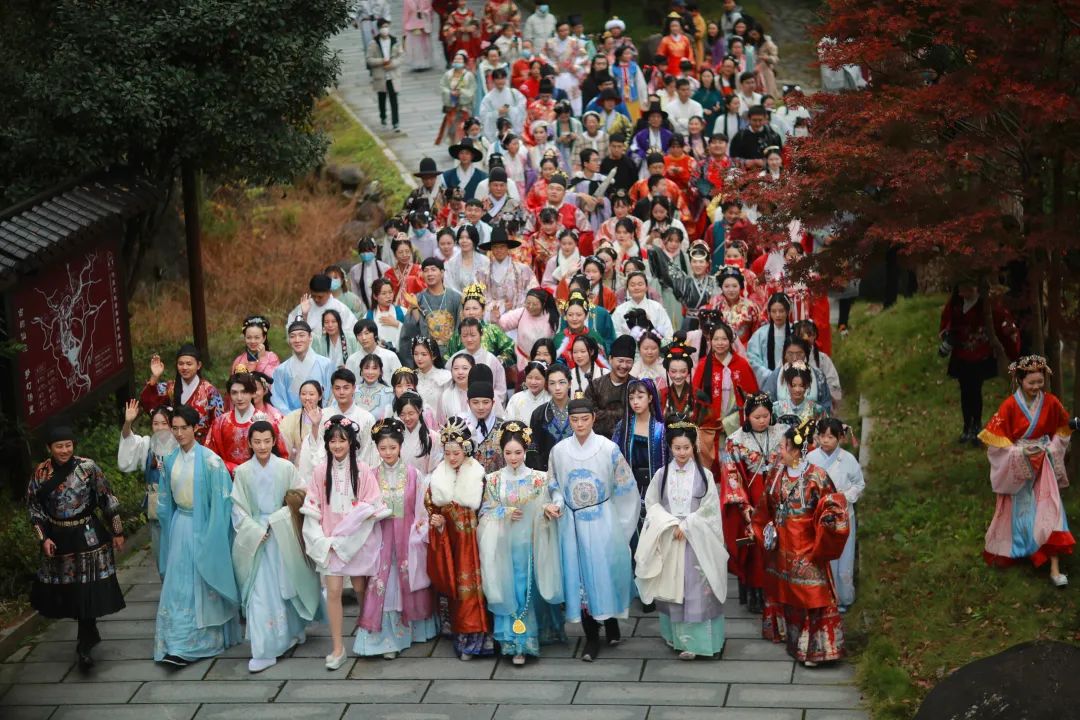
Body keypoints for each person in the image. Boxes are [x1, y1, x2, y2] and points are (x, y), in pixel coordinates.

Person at [749, 416, 850, 667]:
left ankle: (813, 649)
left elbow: (832, 506)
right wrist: (759, 528)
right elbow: (765, 506)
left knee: (813, 593)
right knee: (784, 589)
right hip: (782, 545)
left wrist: (827, 523)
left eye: (783, 447)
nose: (779, 452)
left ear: (795, 450)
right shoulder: (776, 473)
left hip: (807, 545)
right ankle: (788, 635)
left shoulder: (817, 476)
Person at [28, 425, 126, 669]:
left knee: (87, 587)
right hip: (58, 535)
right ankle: (88, 633)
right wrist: (43, 538)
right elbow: (34, 509)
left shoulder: (88, 468)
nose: (64, 450)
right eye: (59, 446)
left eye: (68, 445)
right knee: (70, 589)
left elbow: (107, 498)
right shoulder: (41, 473)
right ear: (49, 448)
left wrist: (117, 531)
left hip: (87, 534)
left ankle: (85, 642)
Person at [547, 397, 638, 661]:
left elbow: (626, 488)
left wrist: (622, 527)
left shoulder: (608, 449)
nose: (580, 424)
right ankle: (591, 636)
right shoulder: (559, 451)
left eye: (584, 419)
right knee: (581, 577)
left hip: (603, 520)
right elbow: (553, 484)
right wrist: (557, 503)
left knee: (605, 571)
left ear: (593, 419)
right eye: (574, 420)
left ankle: (610, 622)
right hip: (573, 521)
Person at [231, 421, 323, 673]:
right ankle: (263, 649)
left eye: (266, 441)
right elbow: (237, 508)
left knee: (288, 585)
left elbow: (301, 496)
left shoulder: (286, 468)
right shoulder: (242, 472)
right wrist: (254, 531)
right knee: (259, 592)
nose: (262, 446)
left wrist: (282, 517)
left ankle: (293, 631)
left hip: (283, 532)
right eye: (257, 441)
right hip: (257, 536)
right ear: (250, 443)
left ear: (274, 441)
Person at [635, 416, 729, 660]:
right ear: (670, 447)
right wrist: (669, 523)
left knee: (697, 589)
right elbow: (652, 503)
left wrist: (687, 525)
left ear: (693, 446)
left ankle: (700, 644)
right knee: (673, 588)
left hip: (696, 541)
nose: (682, 452)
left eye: (686, 447)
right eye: (677, 448)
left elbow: (710, 508)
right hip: (670, 537)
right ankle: (677, 638)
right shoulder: (662, 474)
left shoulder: (704, 475)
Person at [979, 355, 1077, 586]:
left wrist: (1051, 449)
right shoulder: (1009, 406)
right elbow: (995, 439)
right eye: (1031, 382)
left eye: (1040, 382)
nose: (1036, 387)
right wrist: (1019, 452)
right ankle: (1027, 549)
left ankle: (1054, 569)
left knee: (1050, 511)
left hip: (1044, 464)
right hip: (1020, 463)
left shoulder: (1051, 402)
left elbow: (1062, 428)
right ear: (1020, 380)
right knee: (1023, 513)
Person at [300, 415, 388, 669]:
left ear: (351, 442)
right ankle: (338, 647)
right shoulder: (320, 471)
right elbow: (312, 506)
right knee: (334, 591)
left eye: (342, 440)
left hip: (357, 538)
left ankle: (366, 631)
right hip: (330, 540)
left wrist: (351, 530)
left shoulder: (362, 470)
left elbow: (371, 505)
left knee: (360, 587)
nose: (337, 445)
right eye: (333, 441)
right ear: (327, 443)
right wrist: (321, 539)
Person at [155, 406, 241, 666]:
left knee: (201, 583)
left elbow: (223, 504)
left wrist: (212, 535)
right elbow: (164, 503)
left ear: (196, 428)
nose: (179, 433)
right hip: (179, 525)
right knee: (178, 585)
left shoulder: (211, 461)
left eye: (184, 428)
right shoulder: (170, 460)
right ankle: (176, 641)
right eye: (175, 428)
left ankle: (201, 641)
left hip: (204, 526)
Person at [478, 421, 565, 665]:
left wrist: (548, 508)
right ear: (502, 452)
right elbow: (484, 512)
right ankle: (513, 642)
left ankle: (526, 641)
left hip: (531, 544)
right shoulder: (493, 480)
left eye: (518, 452)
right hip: (504, 546)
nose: (513, 457)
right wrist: (503, 512)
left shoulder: (539, 479)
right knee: (509, 589)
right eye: (508, 453)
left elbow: (549, 501)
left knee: (527, 589)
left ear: (525, 451)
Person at [354, 417, 439, 658]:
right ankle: (385, 639)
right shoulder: (370, 475)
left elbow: (422, 508)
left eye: (392, 447)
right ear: (376, 449)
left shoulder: (414, 474)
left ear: (400, 446)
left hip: (407, 536)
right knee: (382, 581)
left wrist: (420, 529)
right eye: (383, 448)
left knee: (407, 576)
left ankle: (412, 631)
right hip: (380, 536)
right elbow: (362, 506)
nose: (388, 452)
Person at [426, 417, 495, 659]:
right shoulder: (437, 477)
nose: (452, 457)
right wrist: (437, 521)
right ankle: (463, 638)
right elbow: (432, 508)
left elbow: (488, 507)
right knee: (457, 590)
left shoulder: (479, 475)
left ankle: (483, 638)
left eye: (456, 453)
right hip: (451, 543)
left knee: (480, 588)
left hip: (476, 541)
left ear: (466, 449)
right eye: (447, 453)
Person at [722, 392, 785, 612]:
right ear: (747, 416)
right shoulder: (734, 441)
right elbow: (731, 474)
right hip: (752, 497)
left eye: (766, 416)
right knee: (755, 547)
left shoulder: (783, 433)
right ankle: (756, 593)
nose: (762, 421)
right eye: (757, 417)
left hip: (779, 494)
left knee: (781, 544)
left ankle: (780, 591)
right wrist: (744, 505)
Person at [940, 285, 1021, 445]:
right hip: (961, 355)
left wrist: (1010, 349)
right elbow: (946, 322)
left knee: (975, 390)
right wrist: (948, 337)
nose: (964, 292)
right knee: (965, 391)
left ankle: (976, 426)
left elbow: (1003, 325)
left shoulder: (988, 306)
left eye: (968, 287)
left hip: (980, 355)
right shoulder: (955, 304)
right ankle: (967, 427)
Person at [805, 418, 864, 610]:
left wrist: (843, 497)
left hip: (842, 514)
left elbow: (859, 484)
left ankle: (843, 598)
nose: (825, 440)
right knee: (821, 556)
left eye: (830, 437)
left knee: (844, 557)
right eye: (822, 436)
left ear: (840, 437)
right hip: (819, 514)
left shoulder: (848, 459)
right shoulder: (811, 458)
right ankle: (821, 598)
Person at [692, 322, 759, 478]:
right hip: (710, 430)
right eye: (716, 339)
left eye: (724, 339)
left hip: (737, 429)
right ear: (710, 341)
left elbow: (752, 399)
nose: (720, 343)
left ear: (730, 341)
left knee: (734, 473)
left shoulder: (742, 365)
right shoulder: (703, 365)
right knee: (711, 474)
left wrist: (729, 422)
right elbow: (695, 398)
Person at [613, 379, 668, 554]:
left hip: (653, 486)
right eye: (631, 398)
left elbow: (668, 461)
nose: (635, 402)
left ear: (650, 398)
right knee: (631, 535)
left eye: (640, 396)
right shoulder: (623, 427)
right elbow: (614, 458)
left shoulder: (661, 429)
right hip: (629, 487)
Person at [299, 368, 379, 480]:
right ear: (332, 389)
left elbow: (368, 452)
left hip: (357, 474)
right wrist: (315, 426)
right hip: (329, 474)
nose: (341, 392)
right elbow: (316, 448)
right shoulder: (322, 415)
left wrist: (358, 473)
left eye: (346, 388)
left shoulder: (366, 418)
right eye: (337, 388)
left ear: (354, 388)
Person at [141, 343, 224, 443]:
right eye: (180, 364)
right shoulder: (170, 388)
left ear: (198, 365)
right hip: (174, 444)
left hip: (202, 446)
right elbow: (148, 402)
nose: (184, 367)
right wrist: (155, 376)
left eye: (189, 364)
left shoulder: (210, 392)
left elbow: (219, 424)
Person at [206, 372, 287, 474]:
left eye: (244, 392)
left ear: (252, 393)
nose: (239, 398)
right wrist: (231, 468)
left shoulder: (267, 422)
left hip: (260, 477)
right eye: (234, 393)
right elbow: (210, 456)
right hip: (227, 477)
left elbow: (281, 457)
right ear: (229, 395)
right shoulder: (220, 423)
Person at [400, 257, 464, 358]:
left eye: (433, 270)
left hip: (453, 353)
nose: (429, 274)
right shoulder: (417, 299)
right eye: (426, 271)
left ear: (442, 273)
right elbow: (409, 331)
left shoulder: (455, 297)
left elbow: (460, 327)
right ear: (422, 274)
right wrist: (414, 308)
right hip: (427, 356)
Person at [475, 225, 539, 322]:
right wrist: (501, 306)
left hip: (518, 318)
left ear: (508, 248)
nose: (499, 250)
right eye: (495, 247)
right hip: (491, 320)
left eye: (502, 246)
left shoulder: (523, 270)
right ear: (491, 249)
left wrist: (517, 305)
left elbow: (534, 292)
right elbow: (479, 298)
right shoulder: (482, 272)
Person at [272, 319, 335, 412]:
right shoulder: (281, 370)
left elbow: (333, 394)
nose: (297, 340)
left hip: (322, 415)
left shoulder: (326, 364)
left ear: (310, 337)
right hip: (293, 417)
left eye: (301, 335)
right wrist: (292, 417)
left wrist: (324, 414)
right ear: (289, 340)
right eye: (292, 336)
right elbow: (277, 399)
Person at [584, 334, 637, 438]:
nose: (624, 366)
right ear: (610, 359)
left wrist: (602, 414)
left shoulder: (636, 387)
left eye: (628, 362)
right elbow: (587, 415)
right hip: (598, 440)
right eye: (620, 361)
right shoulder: (595, 385)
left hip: (628, 440)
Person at [500, 286, 561, 371]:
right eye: (528, 303)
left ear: (543, 304)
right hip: (521, 359)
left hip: (543, 362)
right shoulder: (522, 312)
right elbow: (502, 324)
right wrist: (496, 320)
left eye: (535, 304)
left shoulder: (553, 318)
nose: (530, 306)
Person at [463, 363, 507, 474]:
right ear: (468, 402)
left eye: (486, 402)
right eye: (475, 402)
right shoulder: (460, 425)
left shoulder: (503, 427)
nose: (481, 407)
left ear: (493, 402)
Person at [288, 274, 358, 338]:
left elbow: (352, 331)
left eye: (320, 297)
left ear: (329, 292)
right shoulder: (305, 305)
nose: (316, 299)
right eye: (313, 296)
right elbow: (293, 329)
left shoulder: (340, 308)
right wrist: (304, 315)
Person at [613, 272, 674, 340]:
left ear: (646, 287)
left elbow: (667, 331)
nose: (636, 288)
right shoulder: (619, 310)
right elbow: (615, 332)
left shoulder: (657, 307)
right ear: (627, 289)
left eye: (640, 284)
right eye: (632, 285)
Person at [397, 390, 444, 477]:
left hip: (424, 483)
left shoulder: (433, 437)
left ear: (419, 411)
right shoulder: (396, 436)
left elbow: (436, 469)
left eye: (411, 413)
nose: (407, 418)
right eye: (402, 414)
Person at [747, 292, 791, 385]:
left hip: (793, 381)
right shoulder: (760, 334)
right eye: (774, 311)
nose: (777, 315)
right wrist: (770, 375)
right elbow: (753, 359)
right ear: (769, 312)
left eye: (781, 311)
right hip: (767, 381)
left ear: (788, 311)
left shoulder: (795, 331)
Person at [367, 19, 404, 131]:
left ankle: (396, 123)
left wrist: (392, 64)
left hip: (392, 76)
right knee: (382, 99)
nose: (385, 29)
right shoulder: (373, 43)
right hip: (380, 76)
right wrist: (382, 61)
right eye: (383, 27)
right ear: (379, 29)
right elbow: (369, 60)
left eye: (386, 26)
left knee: (394, 99)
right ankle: (383, 118)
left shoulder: (395, 41)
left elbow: (401, 57)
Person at [347, 316, 404, 385]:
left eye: (367, 333)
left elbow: (401, 380)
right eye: (359, 334)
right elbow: (348, 383)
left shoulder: (390, 356)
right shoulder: (352, 360)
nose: (363, 338)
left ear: (375, 335)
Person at [729, 105, 782, 171]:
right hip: (745, 173)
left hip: (768, 173)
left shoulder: (773, 136)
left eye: (760, 120)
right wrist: (745, 162)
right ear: (748, 119)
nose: (757, 124)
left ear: (765, 118)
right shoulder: (739, 136)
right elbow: (732, 158)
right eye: (754, 120)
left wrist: (766, 162)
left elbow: (780, 157)